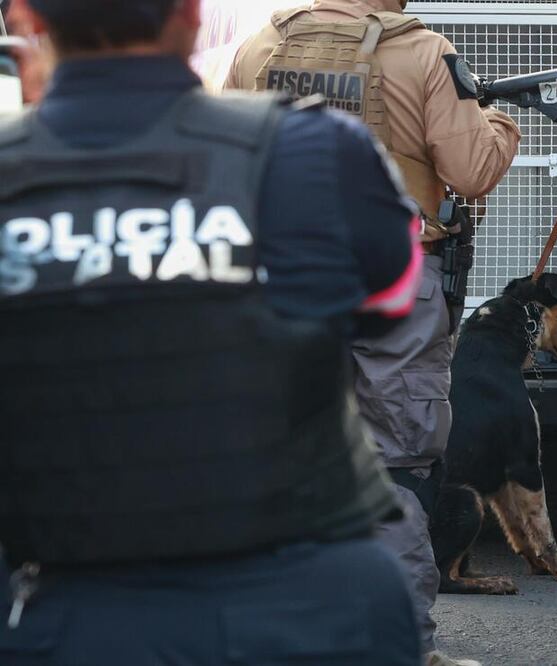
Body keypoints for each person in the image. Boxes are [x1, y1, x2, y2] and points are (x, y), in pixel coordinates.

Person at [0, 0, 425, 663]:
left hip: (69, 614)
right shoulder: (315, 149)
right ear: (193, 13)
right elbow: (389, 301)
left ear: (24, 17)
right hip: (310, 612)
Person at [226, 3, 520, 664]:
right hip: (397, 279)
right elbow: (472, 170)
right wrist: (501, 123)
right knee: (397, 464)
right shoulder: (423, 51)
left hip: (277, 280)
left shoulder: (260, 45)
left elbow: (227, 162)